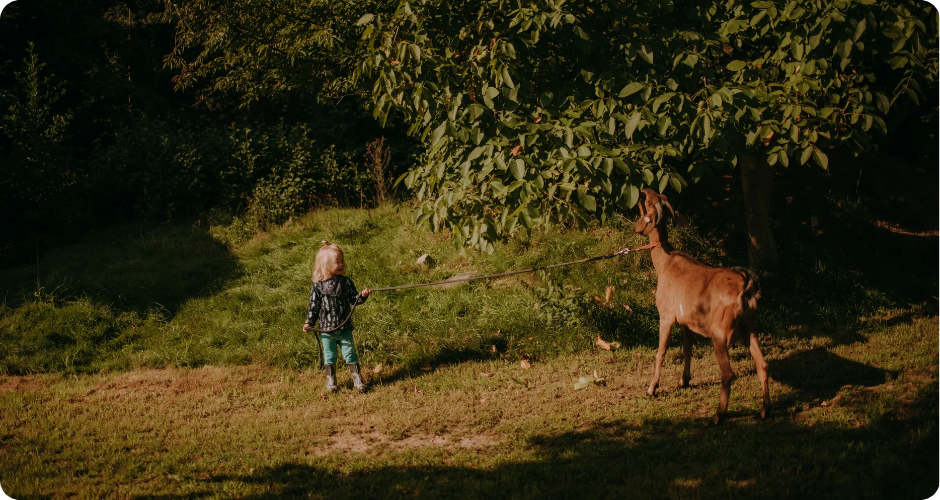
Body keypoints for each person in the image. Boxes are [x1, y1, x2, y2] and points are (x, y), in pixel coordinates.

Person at [302, 241, 372, 392]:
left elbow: (355, 300)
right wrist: (309, 322)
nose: (341, 264)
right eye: (337, 262)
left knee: (350, 352)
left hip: (344, 327)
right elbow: (314, 306)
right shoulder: (318, 286)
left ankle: (358, 381)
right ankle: (331, 383)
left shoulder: (346, 282)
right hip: (326, 330)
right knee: (330, 355)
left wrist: (363, 295)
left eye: (342, 261)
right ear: (325, 265)